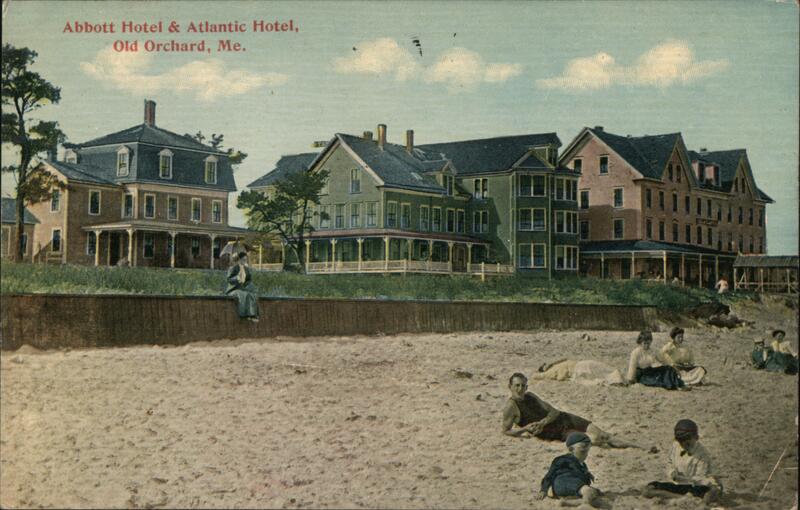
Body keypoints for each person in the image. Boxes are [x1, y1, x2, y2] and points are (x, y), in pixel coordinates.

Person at [502, 373, 641, 448]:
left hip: (564, 418)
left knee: (603, 434)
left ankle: (638, 446)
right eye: (517, 386)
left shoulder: (531, 396)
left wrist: (542, 422)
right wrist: (525, 428)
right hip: (557, 432)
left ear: (526, 387)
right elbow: (505, 431)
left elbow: (554, 411)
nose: (520, 389)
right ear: (510, 386)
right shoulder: (511, 406)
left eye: (523, 386)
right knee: (596, 439)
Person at [644, 419, 722, 504]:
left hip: (696, 486)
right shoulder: (676, 446)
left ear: (696, 437)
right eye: (681, 443)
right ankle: (683, 498)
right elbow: (669, 462)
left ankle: (696, 501)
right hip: (680, 486)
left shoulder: (702, 454)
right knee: (649, 489)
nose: (684, 446)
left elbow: (701, 478)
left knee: (712, 491)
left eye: (688, 444)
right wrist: (672, 473)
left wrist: (685, 478)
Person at [538, 432, 604, 508]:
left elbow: (583, 479)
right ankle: (585, 505)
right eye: (582, 450)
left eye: (587, 451)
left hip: (573, 485)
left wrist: (588, 477)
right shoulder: (563, 459)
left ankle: (567, 503)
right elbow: (550, 474)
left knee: (593, 494)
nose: (586, 454)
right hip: (563, 482)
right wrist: (544, 489)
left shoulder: (582, 465)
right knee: (588, 491)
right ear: (571, 449)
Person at [532, 359, 625, 386]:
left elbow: (565, 358)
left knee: (601, 369)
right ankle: (616, 379)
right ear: (543, 369)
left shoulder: (555, 365)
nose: (545, 364)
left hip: (581, 365)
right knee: (599, 372)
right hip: (578, 369)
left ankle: (616, 378)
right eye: (543, 365)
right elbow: (536, 376)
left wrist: (552, 362)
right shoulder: (549, 372)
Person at [225, 251, 260, 322]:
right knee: (243, 295)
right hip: (233, 289)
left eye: (246, 260)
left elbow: (249, 280)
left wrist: (247, 285)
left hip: (242, 288)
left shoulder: (246, 269)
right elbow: (229, 279)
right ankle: (244, 315)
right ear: (239, 260)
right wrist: (237, 278)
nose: (244, 261)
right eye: (243, 259)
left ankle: (253, 315)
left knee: (252, 295)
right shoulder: (233, 268)